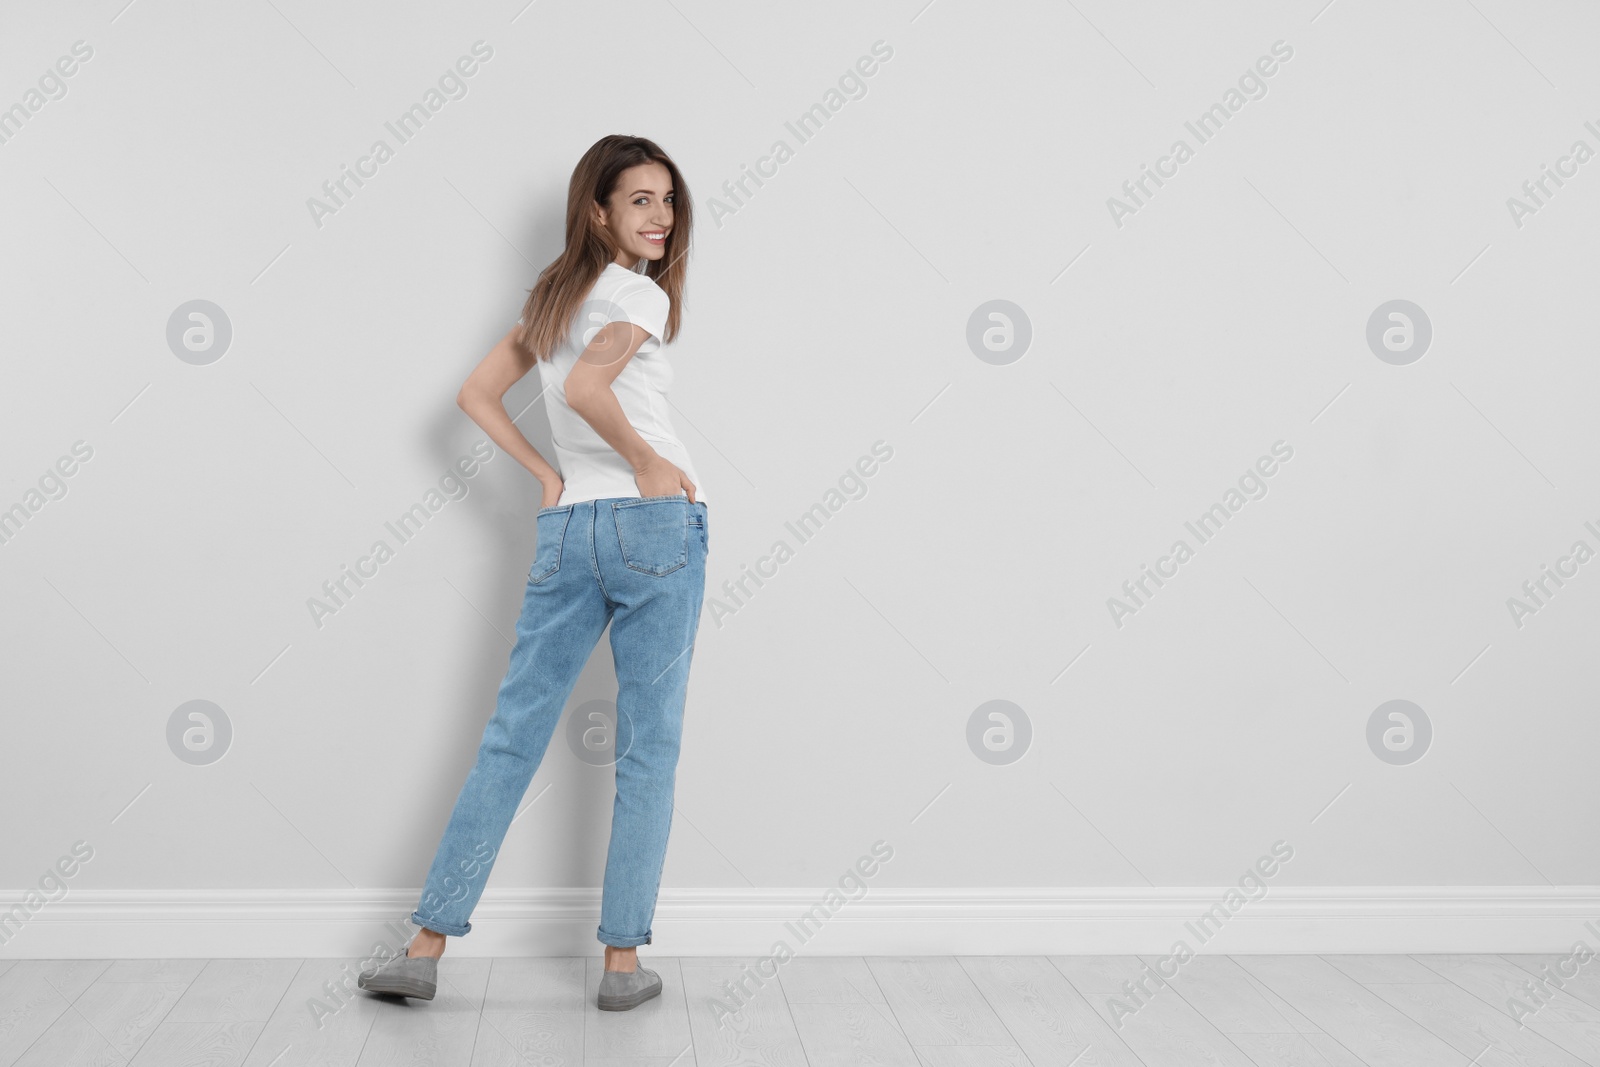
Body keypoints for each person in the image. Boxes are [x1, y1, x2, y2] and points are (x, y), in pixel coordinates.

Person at [358, 134, 708, 1012]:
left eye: (667, 198)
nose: (660, 216)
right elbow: (592, 393)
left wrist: (550, 477)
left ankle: (425, 946)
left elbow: (475, 395)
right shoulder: (637, 295)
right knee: (648, 746)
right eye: (639, 200)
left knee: (513, 737)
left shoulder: (558, 298)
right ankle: (622, 966)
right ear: (597, 211)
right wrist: (647, 464)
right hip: (654, 525)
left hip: (568, 531)